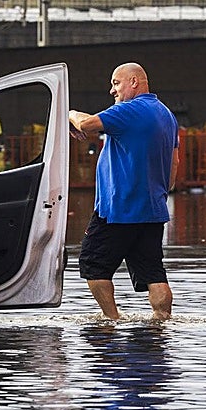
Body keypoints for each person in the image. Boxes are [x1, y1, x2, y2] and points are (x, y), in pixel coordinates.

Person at [69, 62, 178, 321]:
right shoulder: (166, 115)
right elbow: (174, 162)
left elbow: (87, 125)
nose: (112, 90)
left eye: (116, 83)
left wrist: (71, 113)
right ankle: (162, 321)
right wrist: (163, 190)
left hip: (119, 208)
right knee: (153, 272)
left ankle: (111, 319)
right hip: (152, 208)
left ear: (134, 82)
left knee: (93, 264)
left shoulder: (129, 111)